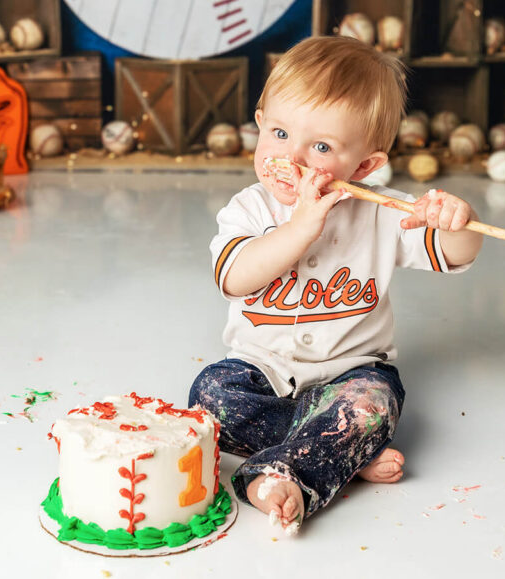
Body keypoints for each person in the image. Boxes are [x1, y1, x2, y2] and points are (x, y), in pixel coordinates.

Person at [188, 36, 483, 535]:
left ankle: (283, 474)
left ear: (365, 165)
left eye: (321, 147)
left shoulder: (380, 211)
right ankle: (337, 452)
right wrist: (299, 227)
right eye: (279, 133)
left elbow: (454, 254)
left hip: (353, 372)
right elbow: (234, 277)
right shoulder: (250, 209)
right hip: (262, 367)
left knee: (370, 409)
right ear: (260, 123)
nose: (293, 156)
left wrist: (458, 223)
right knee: (209, 398)